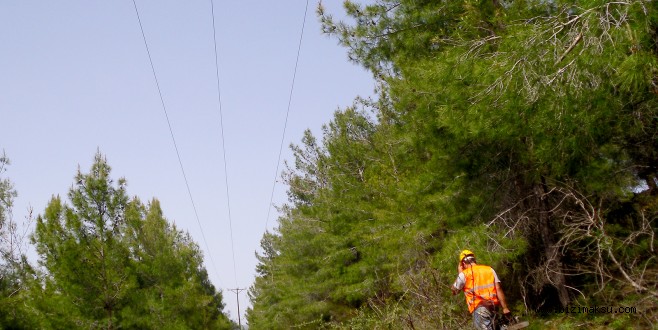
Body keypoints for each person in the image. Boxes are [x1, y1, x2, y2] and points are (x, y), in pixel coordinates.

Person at [451, 250, 511, 330]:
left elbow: (455, 291)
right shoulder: (489, 270)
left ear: (463, 264)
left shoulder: (464, 274)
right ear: (474, 260)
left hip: (480, 309)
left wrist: (459, 274)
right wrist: (505, 307)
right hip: (494, 307)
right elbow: (498, 289)